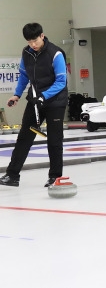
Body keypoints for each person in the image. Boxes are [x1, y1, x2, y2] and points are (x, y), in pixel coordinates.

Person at [0, 23, 68, 187]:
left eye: (35, 40)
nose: (33, 44)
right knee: (24, 137)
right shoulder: (26, 53)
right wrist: (17, 94)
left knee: (54, 140)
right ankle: (12, 175)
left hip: (55, 102)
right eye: (29, 41)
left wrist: (44, 96)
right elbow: (24, 76)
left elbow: (61, 81)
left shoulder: (56, 53)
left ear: (42, 36)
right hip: (35, 100)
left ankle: (55, 177)